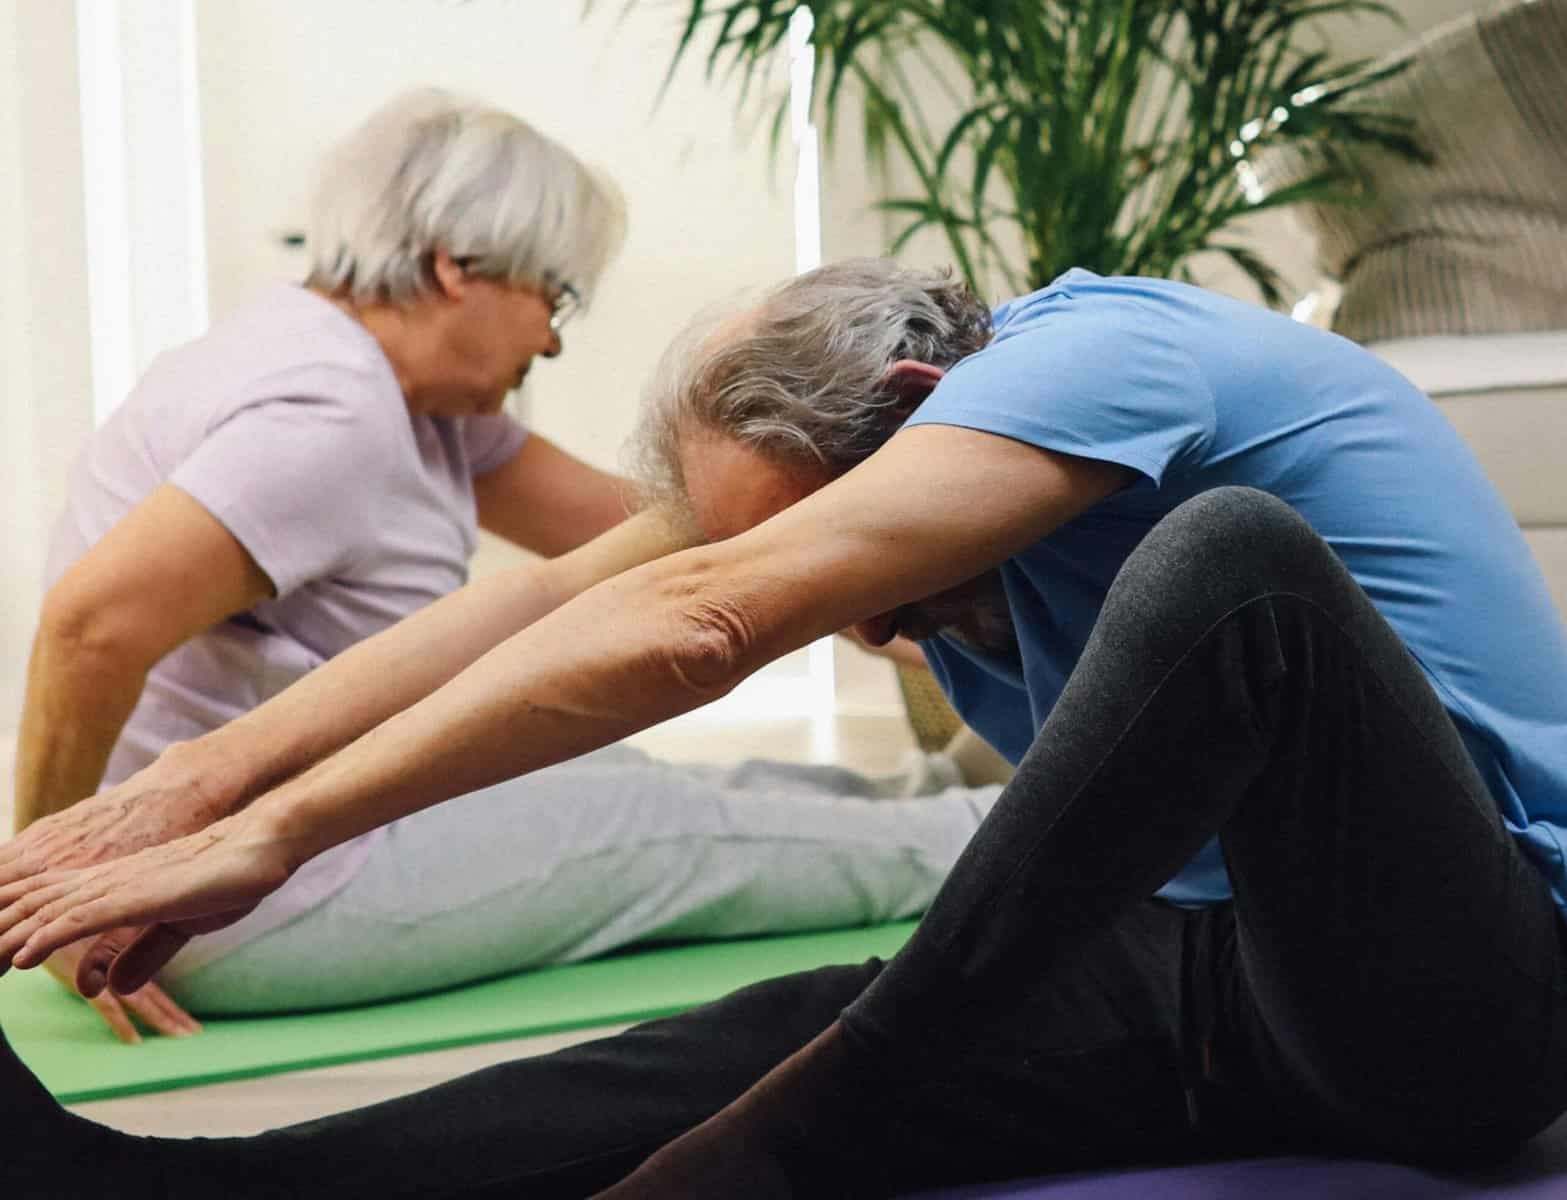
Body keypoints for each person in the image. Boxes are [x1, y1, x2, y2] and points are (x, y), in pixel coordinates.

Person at [3, 257, 1567, 1199]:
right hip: (1230, 999)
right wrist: (198, 796)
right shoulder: (886, 435)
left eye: (849, 574)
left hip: (1476, 1007)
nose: (868, 632)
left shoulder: (1106, 357)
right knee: (772, 1024)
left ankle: (808, 1131)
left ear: (914, 402)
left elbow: (706, 617)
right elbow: (529, 612)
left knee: (1235, 572)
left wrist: (280, 839)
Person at [12, 91, 997, 1040]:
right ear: (456, 268)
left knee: (630, 771)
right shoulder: (324, 416)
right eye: (551, 295)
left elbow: (686, 535)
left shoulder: (403, 395)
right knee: (658, 825)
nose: (555, 341)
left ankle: (943, 780)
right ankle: (1019, 827)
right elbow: (90, 626)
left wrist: (899, 586)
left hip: (316, 830)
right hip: (240, 904)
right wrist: (69, 900)